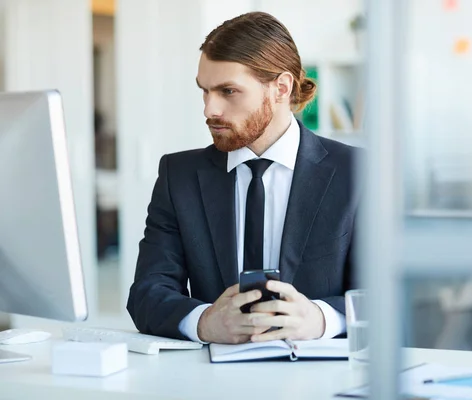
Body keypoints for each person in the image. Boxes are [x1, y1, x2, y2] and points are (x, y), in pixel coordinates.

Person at [127, 12, 359, 344]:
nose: (210, 109)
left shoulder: (357, 173)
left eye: (228, 91)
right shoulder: (178, 177)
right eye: (205, 91)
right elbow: (147, 294)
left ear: (281, 88)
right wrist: (204, 322)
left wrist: (322, 319)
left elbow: (386, 297)